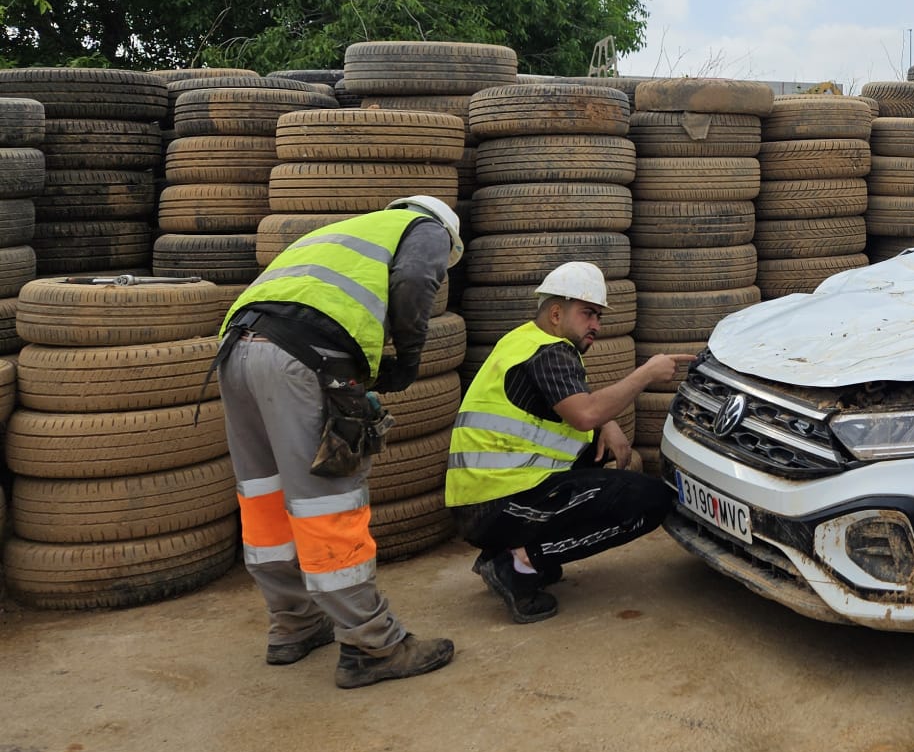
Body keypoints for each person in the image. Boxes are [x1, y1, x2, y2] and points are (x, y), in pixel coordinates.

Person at [215, 194, 461, 689]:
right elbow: (415, 279)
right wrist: (408, 359)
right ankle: (374, 644)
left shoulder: (345, 232)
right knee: (326, 502)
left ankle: (294, 624)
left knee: (264, 497)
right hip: (302, 359)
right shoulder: (426, 227)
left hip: (236, 352)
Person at [447, 260, 688, 623]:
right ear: (556, 313)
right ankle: (519, 563)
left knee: (596, 450)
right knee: (651, 500)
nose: (596, 326)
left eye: (599, 317)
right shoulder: (551, 352)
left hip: (480, 502)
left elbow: (575, 408)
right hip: (499, 503)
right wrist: (646, 374)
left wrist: (606, 423)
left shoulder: (523, 340)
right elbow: (584, 414)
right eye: (588, 314)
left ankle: (512, 551)